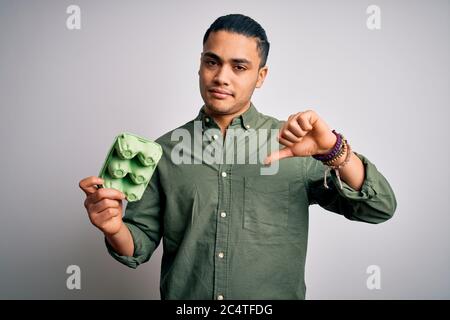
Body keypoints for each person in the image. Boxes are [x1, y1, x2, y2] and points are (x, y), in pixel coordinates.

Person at [79, 14, 396, 300]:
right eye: (212, 62)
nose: (221, 77)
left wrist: (332, 151)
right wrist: (113, 227)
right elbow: (138, 246)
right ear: (200, 64)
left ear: (261, 76)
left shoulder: (297, 145)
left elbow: (378, 208)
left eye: (239, 67)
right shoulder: (165, 151)